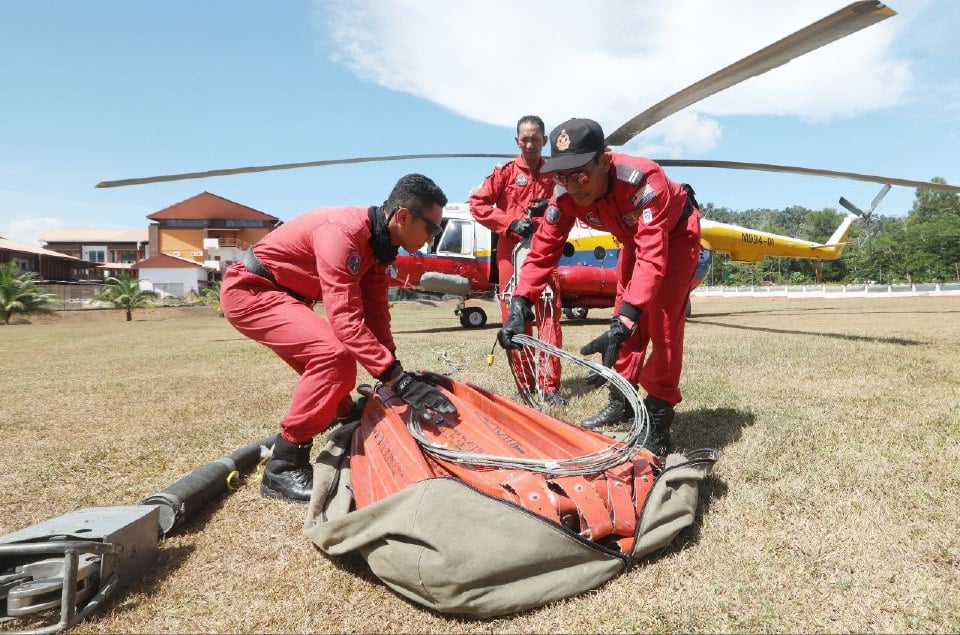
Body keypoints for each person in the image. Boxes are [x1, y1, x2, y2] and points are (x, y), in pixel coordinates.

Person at [220, 174, 458, 502]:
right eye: (431, 228)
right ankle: (284, 464)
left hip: (284, 296)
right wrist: (396, 379)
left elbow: (375, 313)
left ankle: (344, 412)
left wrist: (395, 372)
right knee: (334, 355)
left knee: (331, 365)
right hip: (251, 291)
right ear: (403, 216)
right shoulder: (344, 233)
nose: (433, 237)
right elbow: (346, 322)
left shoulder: (380, 246)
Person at [497, 118, 701, 457]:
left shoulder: (642, 181)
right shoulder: (564, 194)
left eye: (580, 175)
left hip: (674, 237)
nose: (572, 186)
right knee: (623, 317)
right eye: (561, 176)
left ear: (605, 161)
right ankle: (622, 399)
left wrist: (629, 316)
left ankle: (659, 417)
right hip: (632, 242)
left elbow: (653, 257)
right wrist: (520, 302)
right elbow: (543, 248)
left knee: (662, 323)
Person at [469, 115, 565, 404]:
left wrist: (551, 205)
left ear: (544, 140)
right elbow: (477, 204)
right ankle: (525, 385)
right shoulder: (506, 172)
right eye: (524, 138)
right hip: (510, 255)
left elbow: (572, 200)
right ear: (517, 141)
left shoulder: (557, 175)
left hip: (545, 251)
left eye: (535, 138)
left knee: (548, 316)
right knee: (515, 317)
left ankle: (550, 387)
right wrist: (510, 223)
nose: (529, 143)